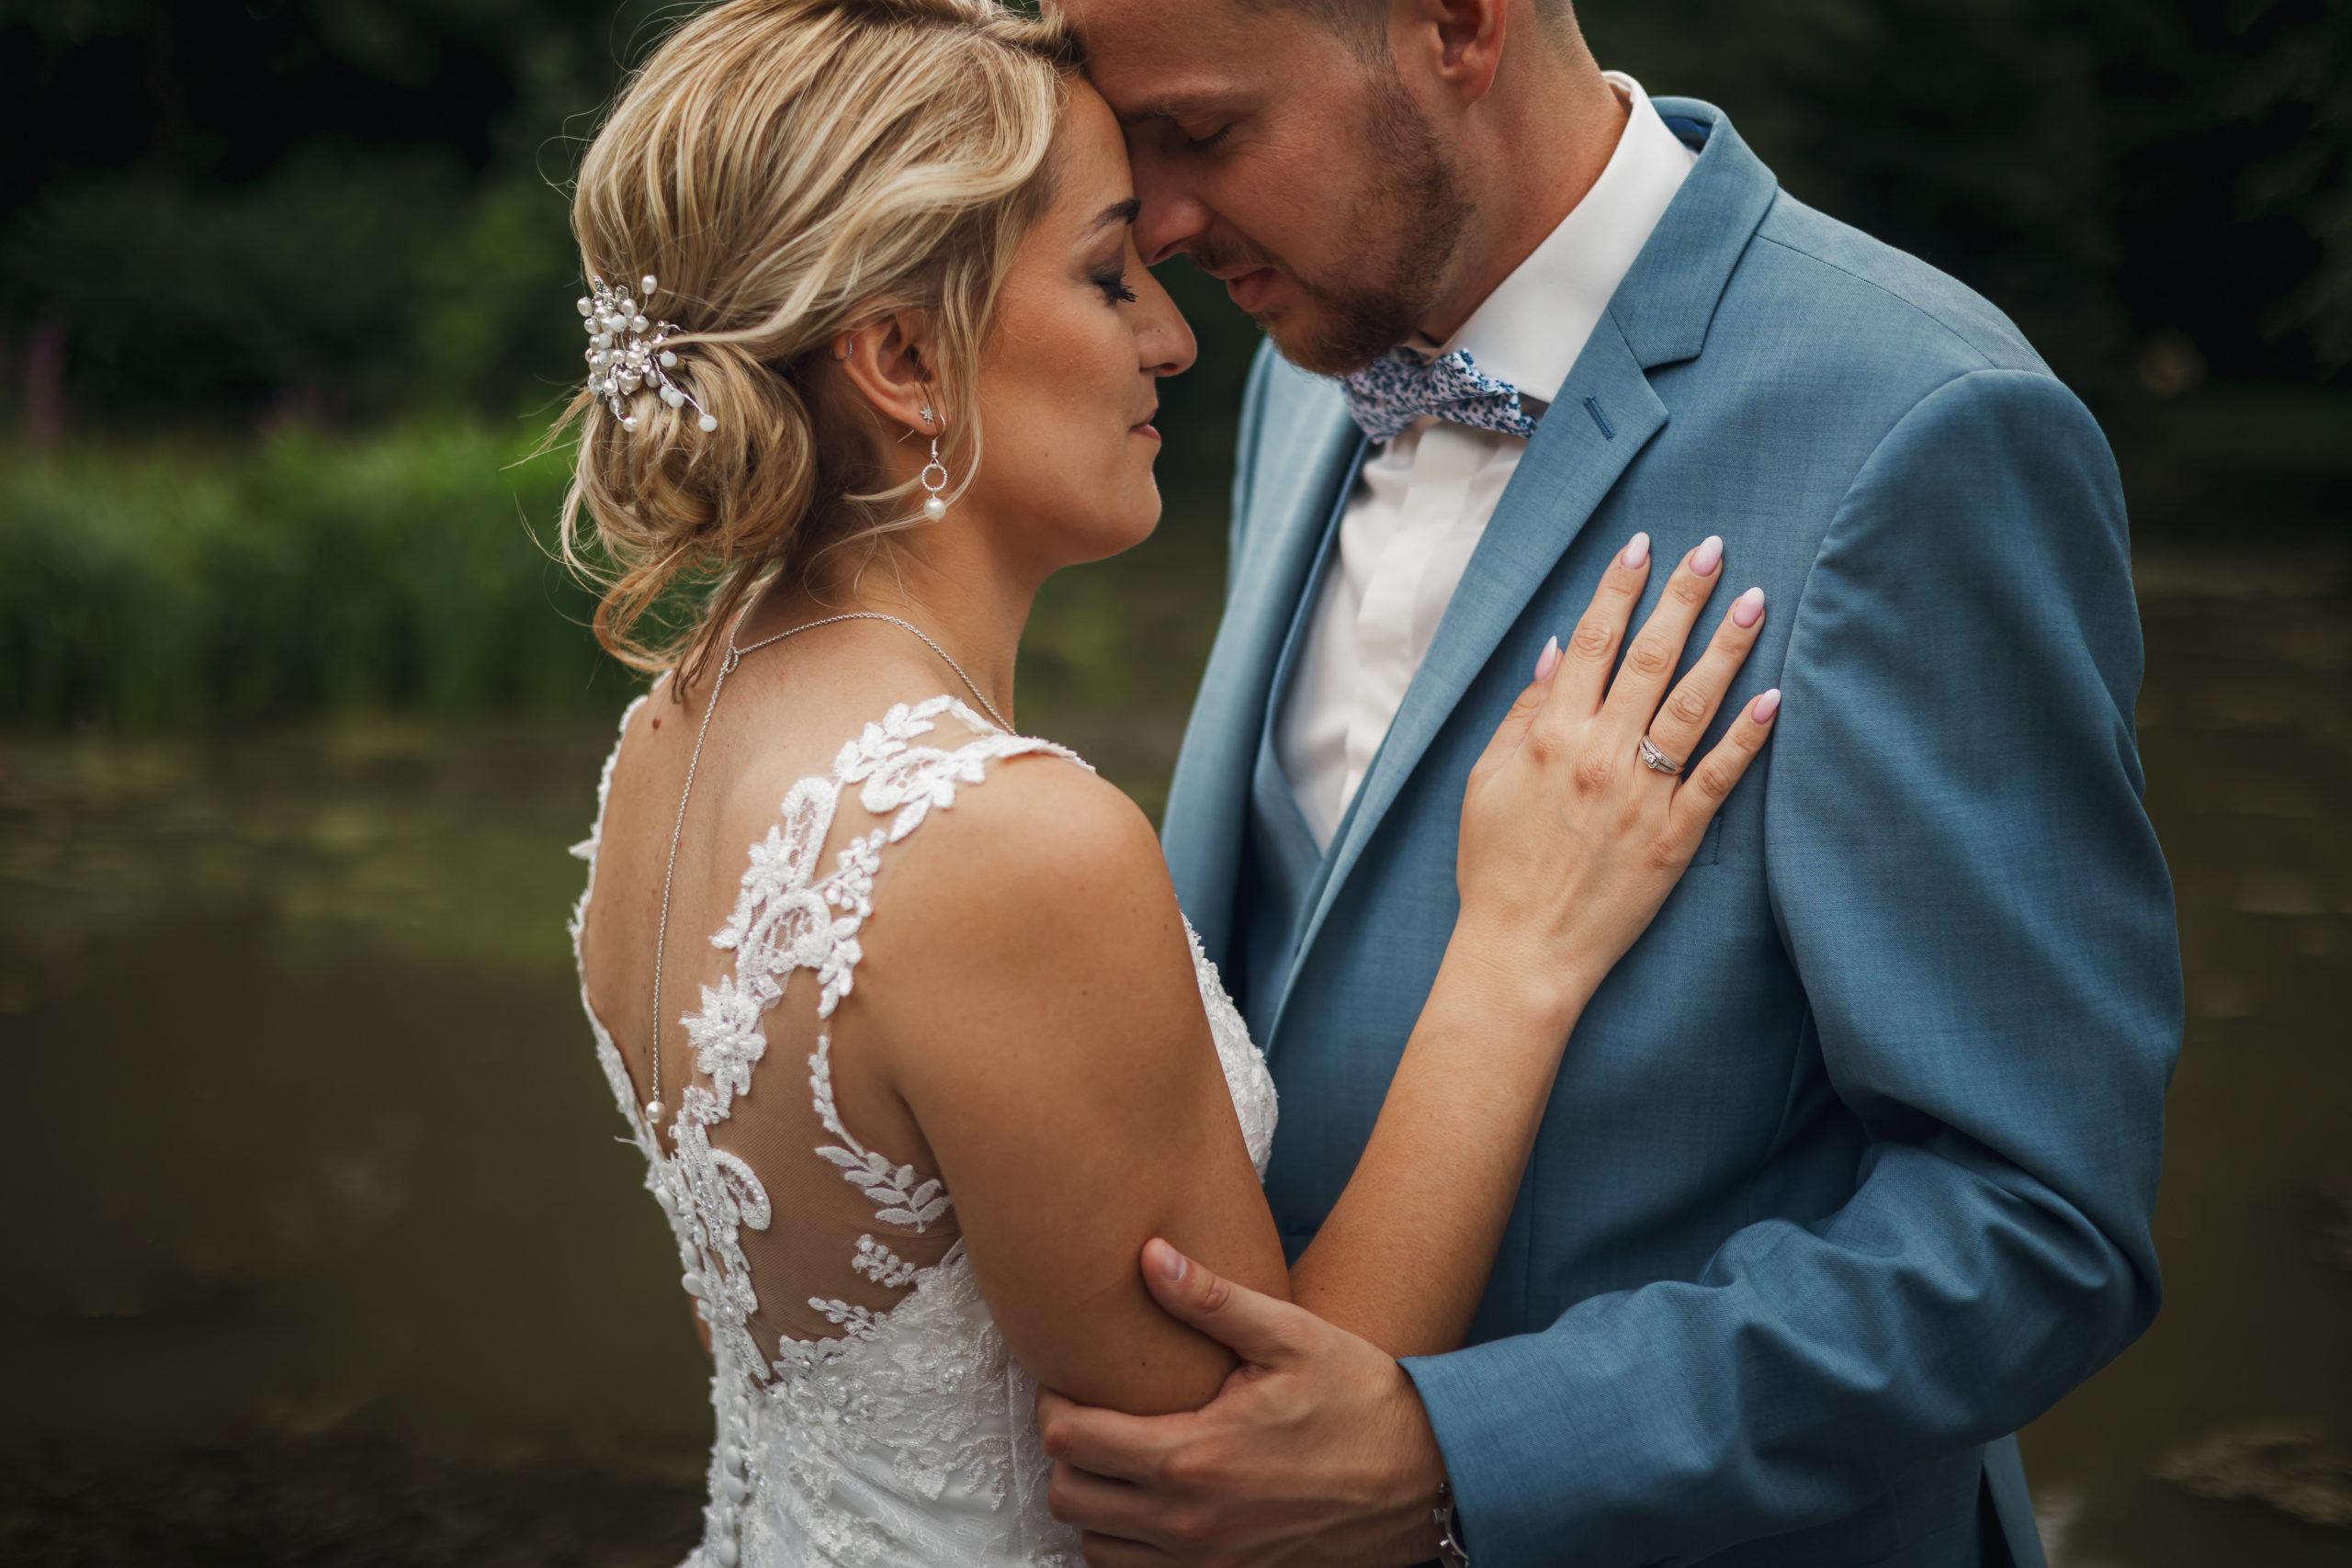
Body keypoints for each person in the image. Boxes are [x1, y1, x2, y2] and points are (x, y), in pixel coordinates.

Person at [560, 2, 1779, 1564]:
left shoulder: (670, 738)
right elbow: (1253, 1478)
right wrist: (1517, 955)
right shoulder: (1002, 843)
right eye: (1106, 272)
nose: (1175, 335)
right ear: (903, 360)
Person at [1033, 0, 2183, 1564]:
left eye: (1208, 134)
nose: (1156, 223)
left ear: (1455, 25)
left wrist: (1459, 1456)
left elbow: (2037, 1228)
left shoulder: (1921, 426)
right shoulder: (1309, 367)